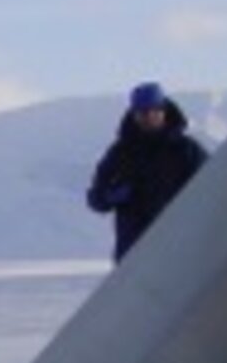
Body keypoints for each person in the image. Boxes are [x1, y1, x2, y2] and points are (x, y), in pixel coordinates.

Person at [86, 81, 208, 263]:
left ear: (164, 111)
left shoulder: (187, 151)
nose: (150, 116)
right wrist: (110, 196)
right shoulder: (120, 154)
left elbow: (214, 186)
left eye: (155, 110)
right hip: (134, 258)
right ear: (134, 114)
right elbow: (95, 198)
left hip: (181, 253)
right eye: (143, 112)